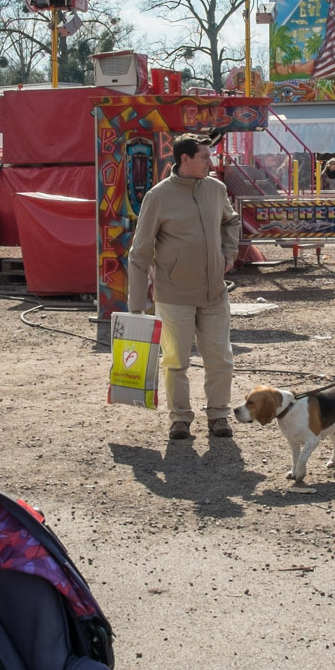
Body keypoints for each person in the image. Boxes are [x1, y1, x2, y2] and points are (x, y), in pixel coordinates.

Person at [129, 134, 243, 441]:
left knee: (220, 357)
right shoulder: (158, 197)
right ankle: (179, 419)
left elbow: (230, 222)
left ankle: (219, 415)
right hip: (174, 295)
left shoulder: (216, 190)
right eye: (205, 157)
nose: (211, 162)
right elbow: (139, 253)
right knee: (176, 361)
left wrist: (228, 255)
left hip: (215, 294)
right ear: (184, 160)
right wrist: (137, 307)